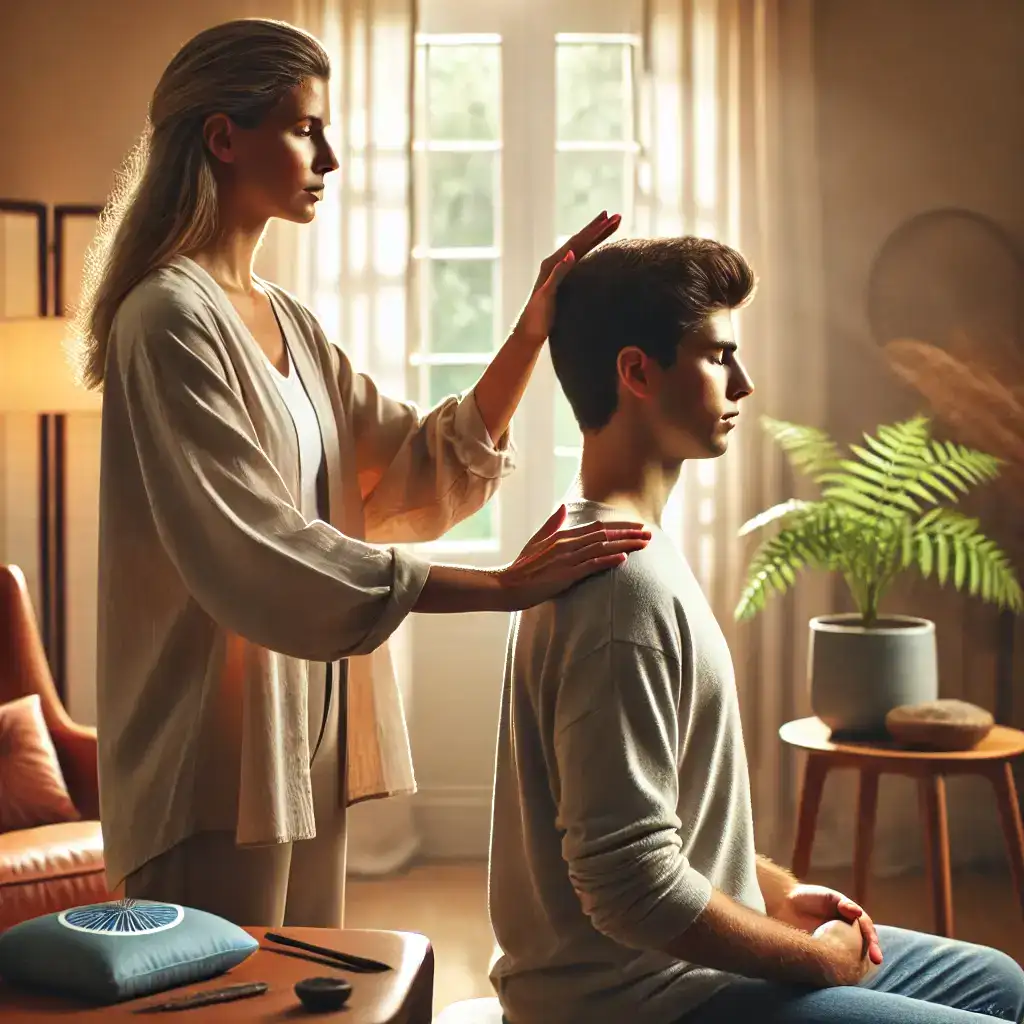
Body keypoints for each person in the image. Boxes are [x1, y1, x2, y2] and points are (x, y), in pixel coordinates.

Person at [75, 18, 649, 929]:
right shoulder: (166, 320)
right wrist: (501, 588)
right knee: (221, 992)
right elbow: (259, 545)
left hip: (305, 723)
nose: (329, 157)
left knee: (310, 980)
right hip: (211, 751)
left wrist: (531, 329)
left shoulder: (288, 321)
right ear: (225, 137)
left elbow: (413, 464)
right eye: (307, 128)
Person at [487, 235, 1024, 1024]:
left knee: (1000, 983)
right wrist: (811, 957)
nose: (744, 382)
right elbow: (627, 886)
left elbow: (667, 829)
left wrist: (772, 891)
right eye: (718, 356)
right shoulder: (614, 592)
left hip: (685, 977)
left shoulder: (630, 545)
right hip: (638, 1006)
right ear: (637, 372)